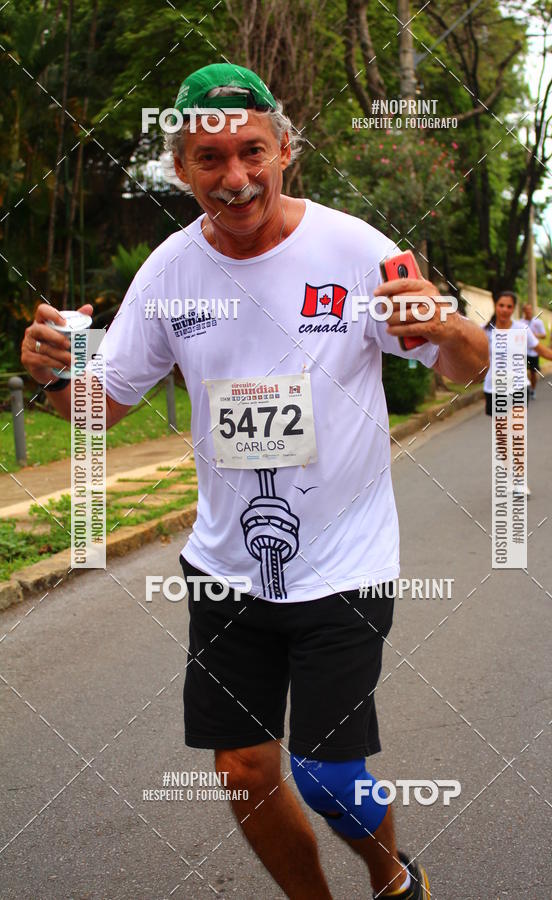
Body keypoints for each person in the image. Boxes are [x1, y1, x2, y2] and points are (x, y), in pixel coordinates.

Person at [21, 63, 489, 900]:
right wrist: (51, 376)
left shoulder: (354, 250)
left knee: (323, 772)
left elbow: (462, 369)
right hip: (228, 567)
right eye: (210, 159)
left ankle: (390, 879)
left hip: (345, 563)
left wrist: (451, 326)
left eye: (251, 152)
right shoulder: (170, 271)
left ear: (284, 153)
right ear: (183, 169)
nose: (234, 178)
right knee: (242, 768)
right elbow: (100, 407)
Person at [483, 292, 552, 495]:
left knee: (518, 434)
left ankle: (520, 480)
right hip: (494, 389)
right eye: (501, 305)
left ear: (514, 309)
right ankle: (509, 476)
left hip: (519, 386)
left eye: (509, 306)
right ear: (496, 306)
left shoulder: (522, 329)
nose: (504, 309)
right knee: (502, 438)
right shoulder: (485, 331)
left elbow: (543, 351)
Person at [517, 302, 546, 397]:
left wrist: (533, 335)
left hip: (534, 351)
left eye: (530, 309)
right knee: (521, 372)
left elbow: (544, 335)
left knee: (533, 373)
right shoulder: (520, 323)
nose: (528, 311)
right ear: (524, 311)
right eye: (526, 310)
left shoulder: (538, 322)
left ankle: (533, 389)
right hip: (522, 351)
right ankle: (524, 389)